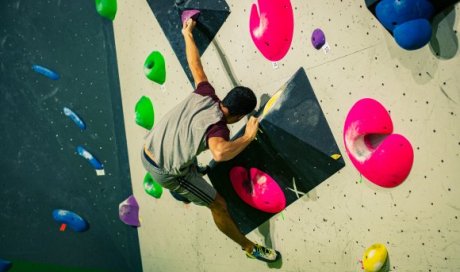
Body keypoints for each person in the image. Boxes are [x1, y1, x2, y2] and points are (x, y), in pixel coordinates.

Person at [140, 18, 280, 263]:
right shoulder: (218, 130)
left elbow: (195, 64)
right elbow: (220, 153)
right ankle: (249, 248)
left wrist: (187, 34)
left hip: (148, 147)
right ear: (236, 116)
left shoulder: (206, 92)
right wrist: (247, 136)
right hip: (165, 171)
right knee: (218, 204)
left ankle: (192, 168)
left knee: (190, 146)